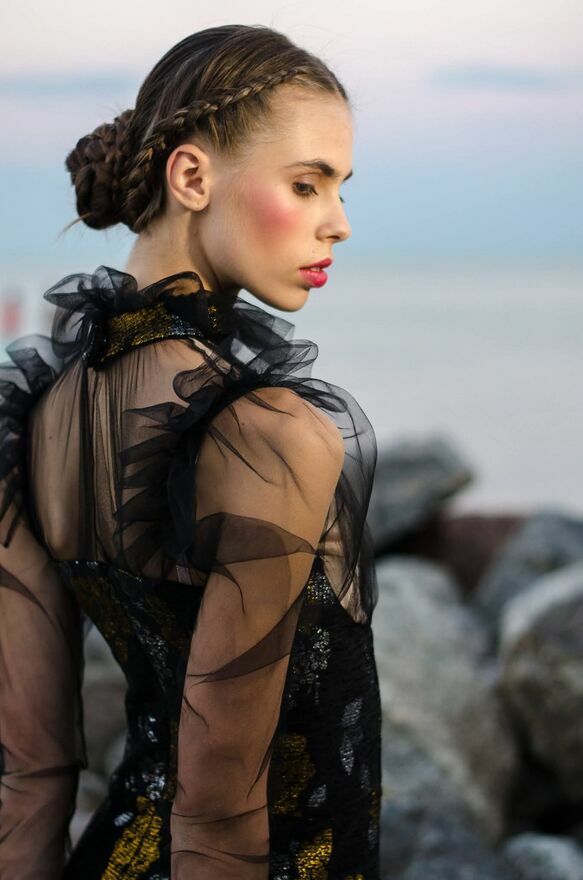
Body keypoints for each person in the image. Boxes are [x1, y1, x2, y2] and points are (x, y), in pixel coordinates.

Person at [0, 23, 382, 879]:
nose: (339, 224)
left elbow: (30, 780)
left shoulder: (29, 420)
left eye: (339, 188)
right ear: (192, 177)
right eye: (306, 184)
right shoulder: (269, 437)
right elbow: (215, 818)